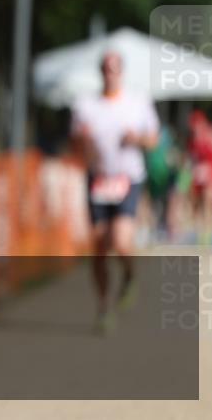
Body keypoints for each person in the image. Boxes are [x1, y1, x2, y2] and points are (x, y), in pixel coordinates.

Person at [70, 50, 159, 335]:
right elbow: (74, 147)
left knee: (120, 241)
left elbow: (154, 140)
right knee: (98, 247)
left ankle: (130, 275)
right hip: (98, 179)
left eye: (115, 68)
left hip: (128, 179)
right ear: (100, 72)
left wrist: (138, 138)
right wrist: (83, 141)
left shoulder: (137, 102)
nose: (110, 73)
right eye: (106, 68)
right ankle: (104, 306)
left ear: (122, 72)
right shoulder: (85, 106)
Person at [187, 110, 212, 245]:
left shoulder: (211, 135)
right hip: (199, 177)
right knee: (198, 206)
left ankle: (209, 234)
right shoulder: (193, 141)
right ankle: (201, 234)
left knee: (209, 205)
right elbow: (192, 160)